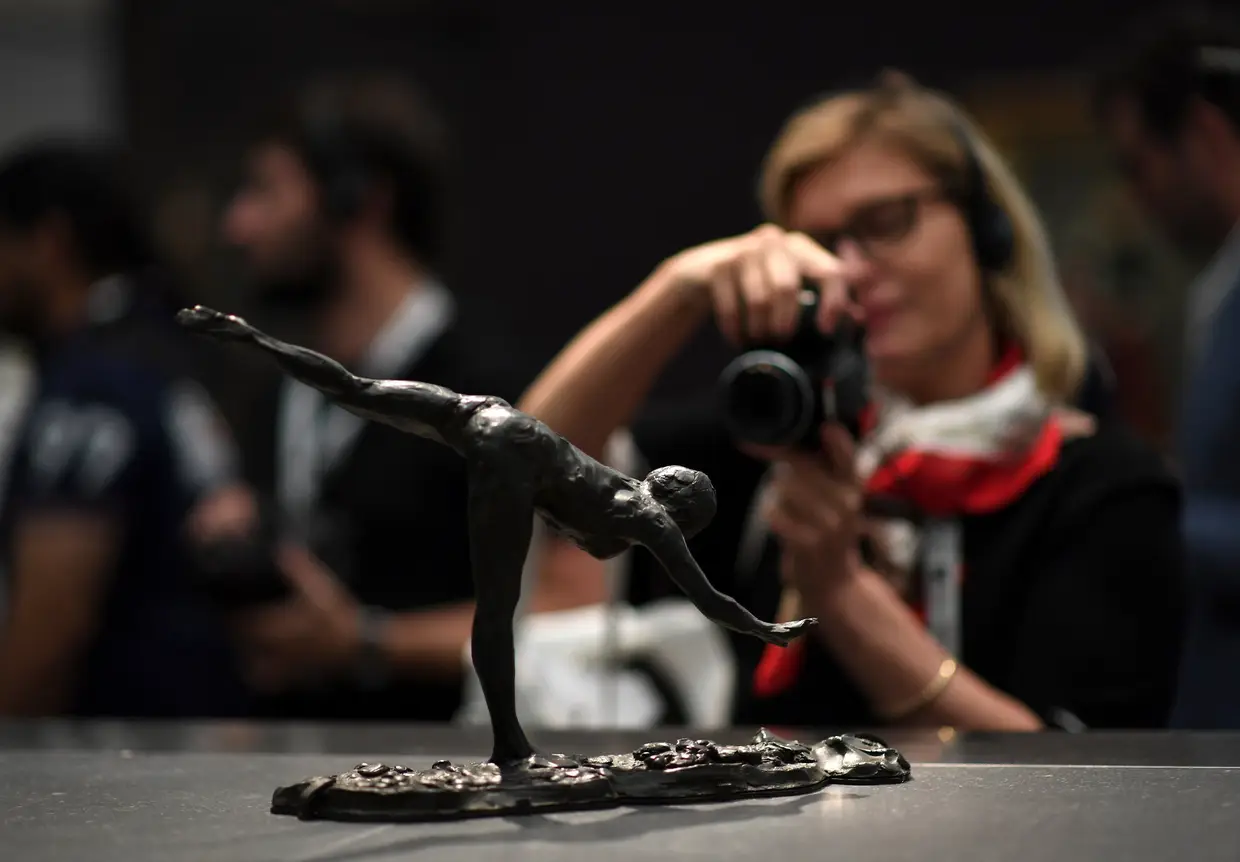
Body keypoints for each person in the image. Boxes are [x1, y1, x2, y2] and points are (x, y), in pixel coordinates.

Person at [521, 71, 1186, 730]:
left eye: (886, 222)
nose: (852, 269)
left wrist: (838, 588)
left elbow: (1076, 784)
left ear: (987, 230)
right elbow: (524, 454)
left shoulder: (1104, 487)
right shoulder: (786, 436)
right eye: (819, 245)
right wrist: (679, 288)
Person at [178, 304, 810, 763]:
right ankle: (509, 740)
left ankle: (245, 335)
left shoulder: (625, 492)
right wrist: (766, 629)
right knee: (496, 617)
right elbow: (708, 599)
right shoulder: (648, 518)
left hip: (494, 420)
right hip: (511, 452)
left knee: (356, 389)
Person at [218, 75, 594, 721]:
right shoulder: (280, 394)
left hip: (450, 776)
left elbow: (570, 612)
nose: (238, 225)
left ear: (357, 199)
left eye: (266, 191)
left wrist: (369, 644)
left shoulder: (490, 386)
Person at [0, 139, 251, 717]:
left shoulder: (95, 380)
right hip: (199, 734)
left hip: (133, 746)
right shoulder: (165, 341)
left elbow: (52, 626)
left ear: (48, 240)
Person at [1092, 6, 1240, 728]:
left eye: (1137, 165)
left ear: (1205, 133)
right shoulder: (1219, 289)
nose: (1135, 197)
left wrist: (1139, 513)